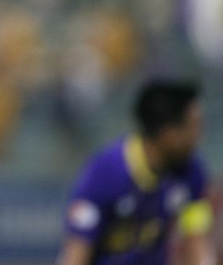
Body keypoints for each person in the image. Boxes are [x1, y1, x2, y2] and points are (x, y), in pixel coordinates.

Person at [56, 78, 216, 265]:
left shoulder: (191, 172)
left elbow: (197, 238)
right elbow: (77, 251)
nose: (199, 136)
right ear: (169, 134)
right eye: (193, 127)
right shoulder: (105, 173)